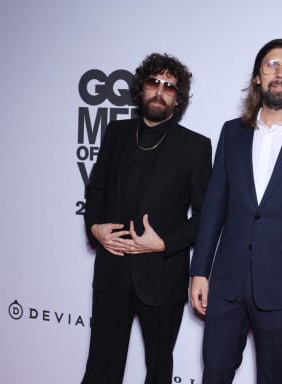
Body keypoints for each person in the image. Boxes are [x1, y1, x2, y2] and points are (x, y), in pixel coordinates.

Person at [189, 38, 282, 384]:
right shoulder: (232, 132)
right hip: (226, 282)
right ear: (257, 77)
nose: (280, 73)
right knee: (215, 372)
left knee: (273, 376)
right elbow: (214, 207)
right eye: (271, 65)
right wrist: (200, 271)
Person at [81, 53, 212, 384]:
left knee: (158, 369)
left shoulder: (195, 147)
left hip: (161, 276)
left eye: (170, 86)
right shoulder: (116, 133)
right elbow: (95, 190)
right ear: (141, 88)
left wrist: (164, 242)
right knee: (100, 365)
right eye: (155, 82)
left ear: (178, 98)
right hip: (112, 269)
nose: (160, 91)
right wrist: (95, 227)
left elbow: (206, 217)